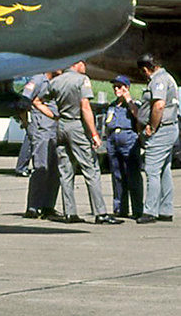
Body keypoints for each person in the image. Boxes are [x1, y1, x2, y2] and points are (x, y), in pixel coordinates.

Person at [43, 61, 117, 224]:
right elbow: (85, 107)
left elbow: (37, 100)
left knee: (66, 171)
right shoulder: (82, 80)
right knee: (91, 169)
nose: (85, 66)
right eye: (84, 63)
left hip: (62, 125)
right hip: (77, 126)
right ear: (77, 64)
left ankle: (70, 212)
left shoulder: (56, 81)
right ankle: (100, 213)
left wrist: (53, 115)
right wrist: (94, 133)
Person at [136, 54, 178, 224]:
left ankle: (150, 211)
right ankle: (165, 209)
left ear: (146, 69)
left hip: (161, 130)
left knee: (152, 170)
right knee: (164, 170)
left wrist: (151, 127)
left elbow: (159, 105)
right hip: (169, 129)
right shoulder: (168, 77)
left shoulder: (159, 80)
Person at [20, 70, 60, 219]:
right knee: (41, 168)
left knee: (54, 170)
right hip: (41, 131)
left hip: (55, 130)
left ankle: (48, 206)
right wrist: (26, 123)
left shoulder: (57, 81)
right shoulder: (37, 80)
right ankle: (33, 207)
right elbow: (23, 102)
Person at [104, 75, 144, 219]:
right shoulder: (113, 106)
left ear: (126, 88)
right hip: (113, 140)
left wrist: (129, 100)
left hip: (128, 139)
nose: (116, 89)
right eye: (114, 87)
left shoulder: (133, 105)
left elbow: (139, 116)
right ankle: (120, 207)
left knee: (132, 175)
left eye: (119, 87)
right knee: (117, 176)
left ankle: (138, 208)